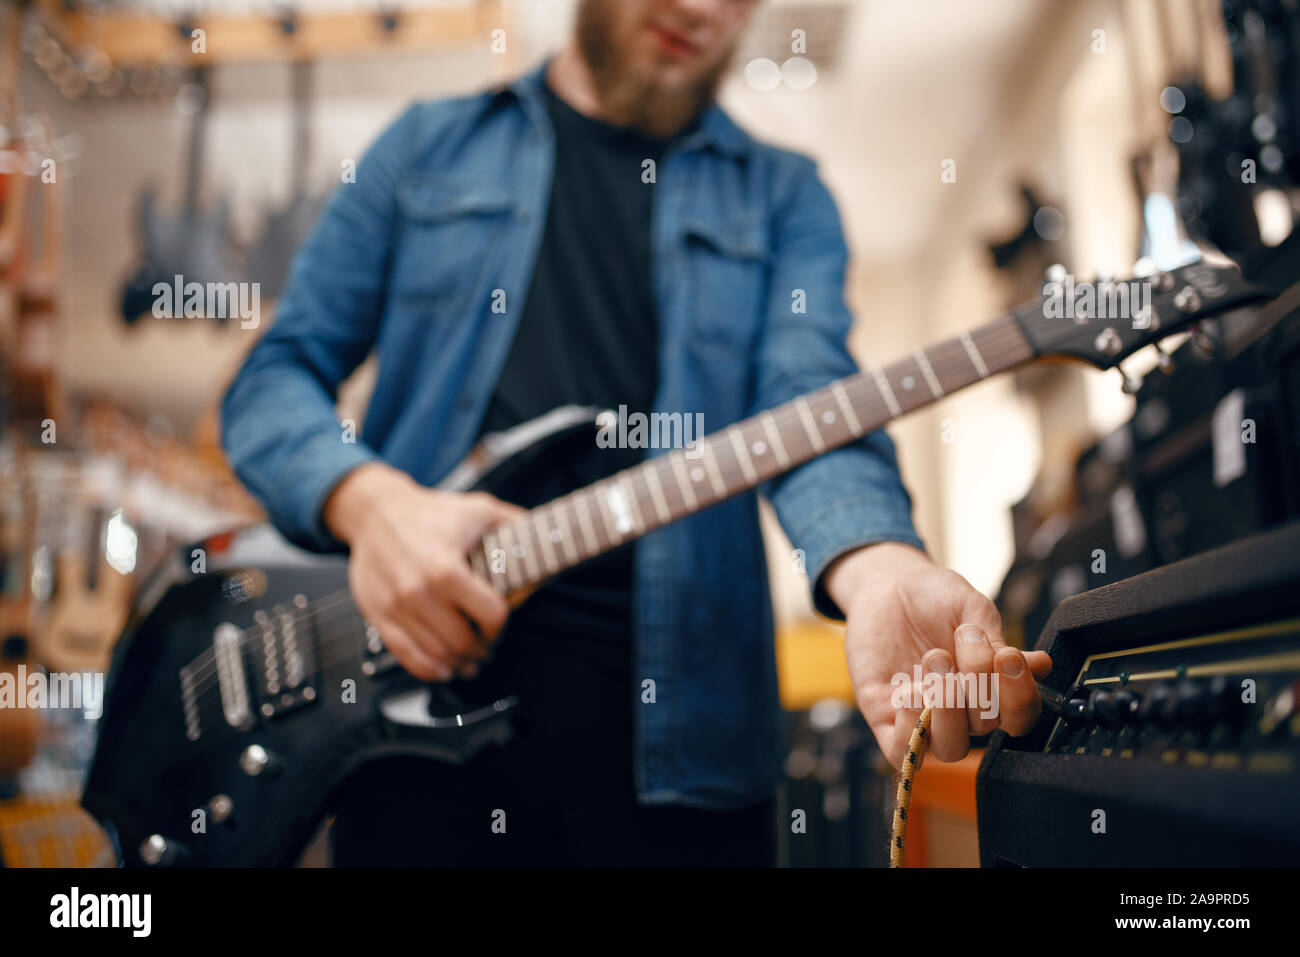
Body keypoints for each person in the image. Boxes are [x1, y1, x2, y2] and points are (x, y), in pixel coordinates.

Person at [221, 0, 1051, 866]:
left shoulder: (785, 196)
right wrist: (372, 505)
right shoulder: (426, 147)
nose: (703, 10)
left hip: (688, 771)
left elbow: (808, 399)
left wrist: (880, 565)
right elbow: (270, 382)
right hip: (407, 755)